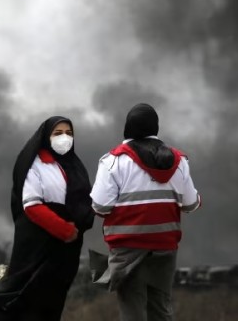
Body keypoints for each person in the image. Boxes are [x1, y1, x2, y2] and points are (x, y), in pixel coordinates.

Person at [90, 103, 201, 321]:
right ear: (155, 128)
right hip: (164, 249)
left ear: (127, 128)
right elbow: (190, 203)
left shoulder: (113, 161)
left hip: (128, 250)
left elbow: (100, 206)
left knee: (132, 310)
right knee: (161, 309)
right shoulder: (179, 161)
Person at [0, 116, 95, 321]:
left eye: (69, 133)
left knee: (52, 298)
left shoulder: (73, 166)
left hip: (66, 249)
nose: (64, 137)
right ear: (46, 136)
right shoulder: (35, 164)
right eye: (58, 133)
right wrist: (65, 230)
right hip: (38, 243)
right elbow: (32, 206)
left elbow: (84, 200)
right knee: (20, 293)